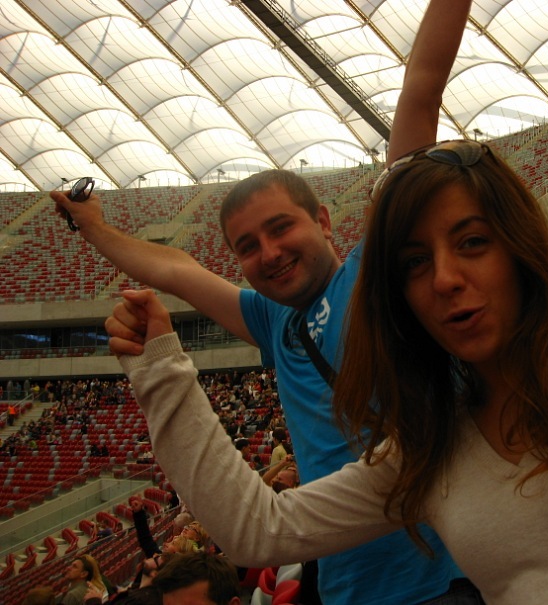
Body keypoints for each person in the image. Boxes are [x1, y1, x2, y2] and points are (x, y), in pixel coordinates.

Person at [107, 138, 548, 603]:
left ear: (519, 247)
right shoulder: (427, 453)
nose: (443, 278)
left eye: (472, 242)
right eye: (415, 263)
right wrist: (160, 366)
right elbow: (258, 529)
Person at [53, 2, 470, 603]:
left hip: (441, 573)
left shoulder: (373, 271)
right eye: (247, 246)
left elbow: (420, 94)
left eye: (281, 228)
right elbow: (177, 271)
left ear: (323, 221)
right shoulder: (273, 321)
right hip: (345, 582)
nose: (269, 252)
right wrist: (93, 227)